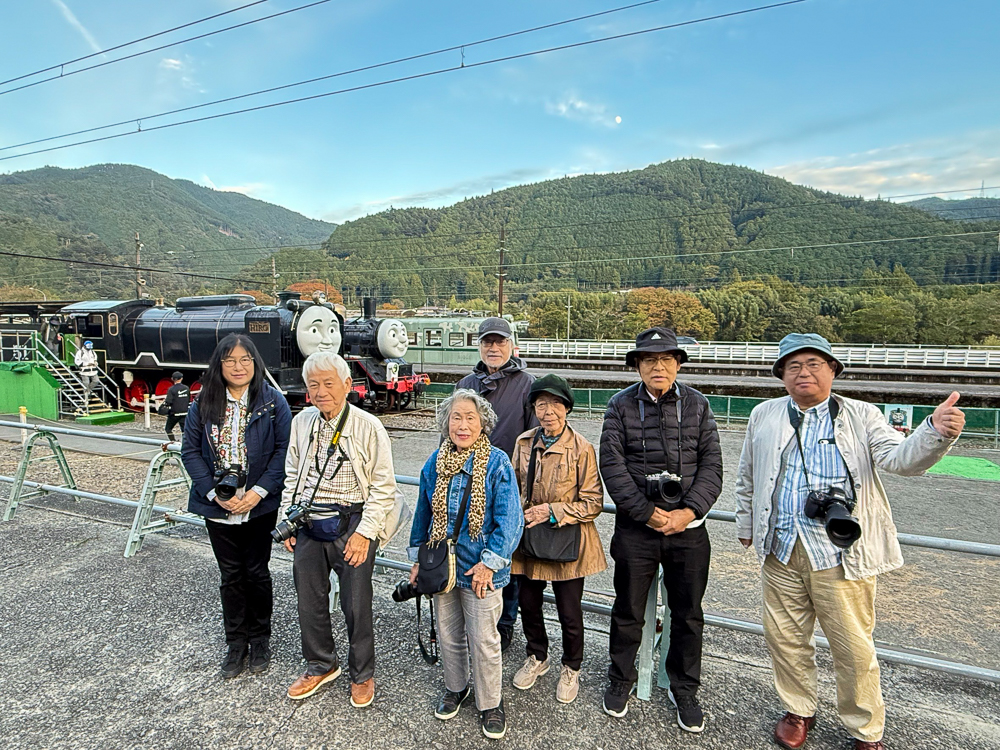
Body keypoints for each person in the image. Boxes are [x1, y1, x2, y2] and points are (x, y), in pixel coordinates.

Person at [735, 333, 964, 750]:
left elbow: (900, 459)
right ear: (782, 376)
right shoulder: (764, 414)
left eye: (814, 364)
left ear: (833, 370)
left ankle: (865, 728)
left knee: (853, 646)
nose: (803, 373)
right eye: (793, 366)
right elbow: (748, 473)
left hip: (841, 552)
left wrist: (934, 431)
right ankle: (798, 709)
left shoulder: (861, 414)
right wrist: (746, 524)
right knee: (785, 638)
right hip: (781, 546)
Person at [599, 327, 722, 732]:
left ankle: (684, 687)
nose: (658, 366)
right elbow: (613, 468)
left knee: (688, 613)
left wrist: (689, 511)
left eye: (667, 359)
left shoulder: (698, 404)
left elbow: (712, 466)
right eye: (649, 359)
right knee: (628, 609)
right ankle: (621, 678)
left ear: (678, 364)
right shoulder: (619, 406)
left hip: (689, 528)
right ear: (637, 365)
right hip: (637, 528)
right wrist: (647, 513)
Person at [281, 351, 406, 709]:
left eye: (328, 383)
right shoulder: (302, 422)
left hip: (353, 521)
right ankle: (321, 664)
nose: (321, 392)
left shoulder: (368, 425)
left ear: (347, 384)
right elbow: (292, 474)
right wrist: (287, 521)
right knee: (309, 600)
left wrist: (365, 533)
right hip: (308, 520)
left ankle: (362, 674)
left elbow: (383, 487)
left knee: (356, 603)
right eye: (313, 385)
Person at [408, 389, 523, 740]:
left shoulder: (497, 463)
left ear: (482, 423)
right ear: (446, 423)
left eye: (470, 418)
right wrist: (417, 559)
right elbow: (423, 513)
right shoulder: (435, 461)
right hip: (442, 567)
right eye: (455, 417)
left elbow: (510, 521)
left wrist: (490, 564)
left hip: (479, 568)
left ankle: (491, 703)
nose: (462, 425)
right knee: (448, 634)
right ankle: (456, 688)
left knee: (484, 639)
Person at [181, 334, 291, 679]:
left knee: (257, 571)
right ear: (219, 364)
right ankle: (236, 643)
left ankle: (260, 640)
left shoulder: (273, 402)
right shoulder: (203, 402)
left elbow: (283, 452)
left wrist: (258, 492)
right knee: (230, 574)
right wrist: (213, 493)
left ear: (255, 363)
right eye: (230, 360)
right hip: (218, 502)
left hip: (258, 503)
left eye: (245, 359)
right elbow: (190, 452)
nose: (238, 366)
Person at [510, 374, 606, 704]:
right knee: (528, 605)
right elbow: (513, 488)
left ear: (566, 408)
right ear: (533, 409)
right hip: (530, 540)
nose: (548, 411)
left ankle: (571, 666)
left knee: (569, 612)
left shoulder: (581, 448)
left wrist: (551, 510)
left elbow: (593, 503)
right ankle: (537, 656)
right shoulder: (524, 442)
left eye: (555, 404)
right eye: (541, 404)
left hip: (567, 541)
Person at [454, 316, 536, 651]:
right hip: (465, 484)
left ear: (511, 345)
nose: (493, 347)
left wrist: (524, 488)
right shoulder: (466, 383)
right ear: (479, 345)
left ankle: (504, 624)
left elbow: (533, 440)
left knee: (505, 553)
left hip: (507, 484)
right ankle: (469, 619)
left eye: (500, 341)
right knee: (468, 546)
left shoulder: (527, 384)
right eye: (487, 342)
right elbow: (449, 433)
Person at [161, 372, 190, 443]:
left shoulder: (171, 389)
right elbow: (188, 399)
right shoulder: (186, 388)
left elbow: (168, 401)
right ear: (181, 378)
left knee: (168, 429)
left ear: (172, 379)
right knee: (184, 430)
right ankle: (185, 443)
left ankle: (173, 441)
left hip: (174, 413)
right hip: (184, 413)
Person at [74, 340, 100, 412]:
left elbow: (95, 359)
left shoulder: (92, 352)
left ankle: (88, 391)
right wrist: (86, 364)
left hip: (93, 370)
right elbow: (77, 361)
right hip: (84, 371)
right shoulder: (80, 352)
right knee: (86, 383)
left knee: (96, 381)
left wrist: (95, 363)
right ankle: (85, 398)